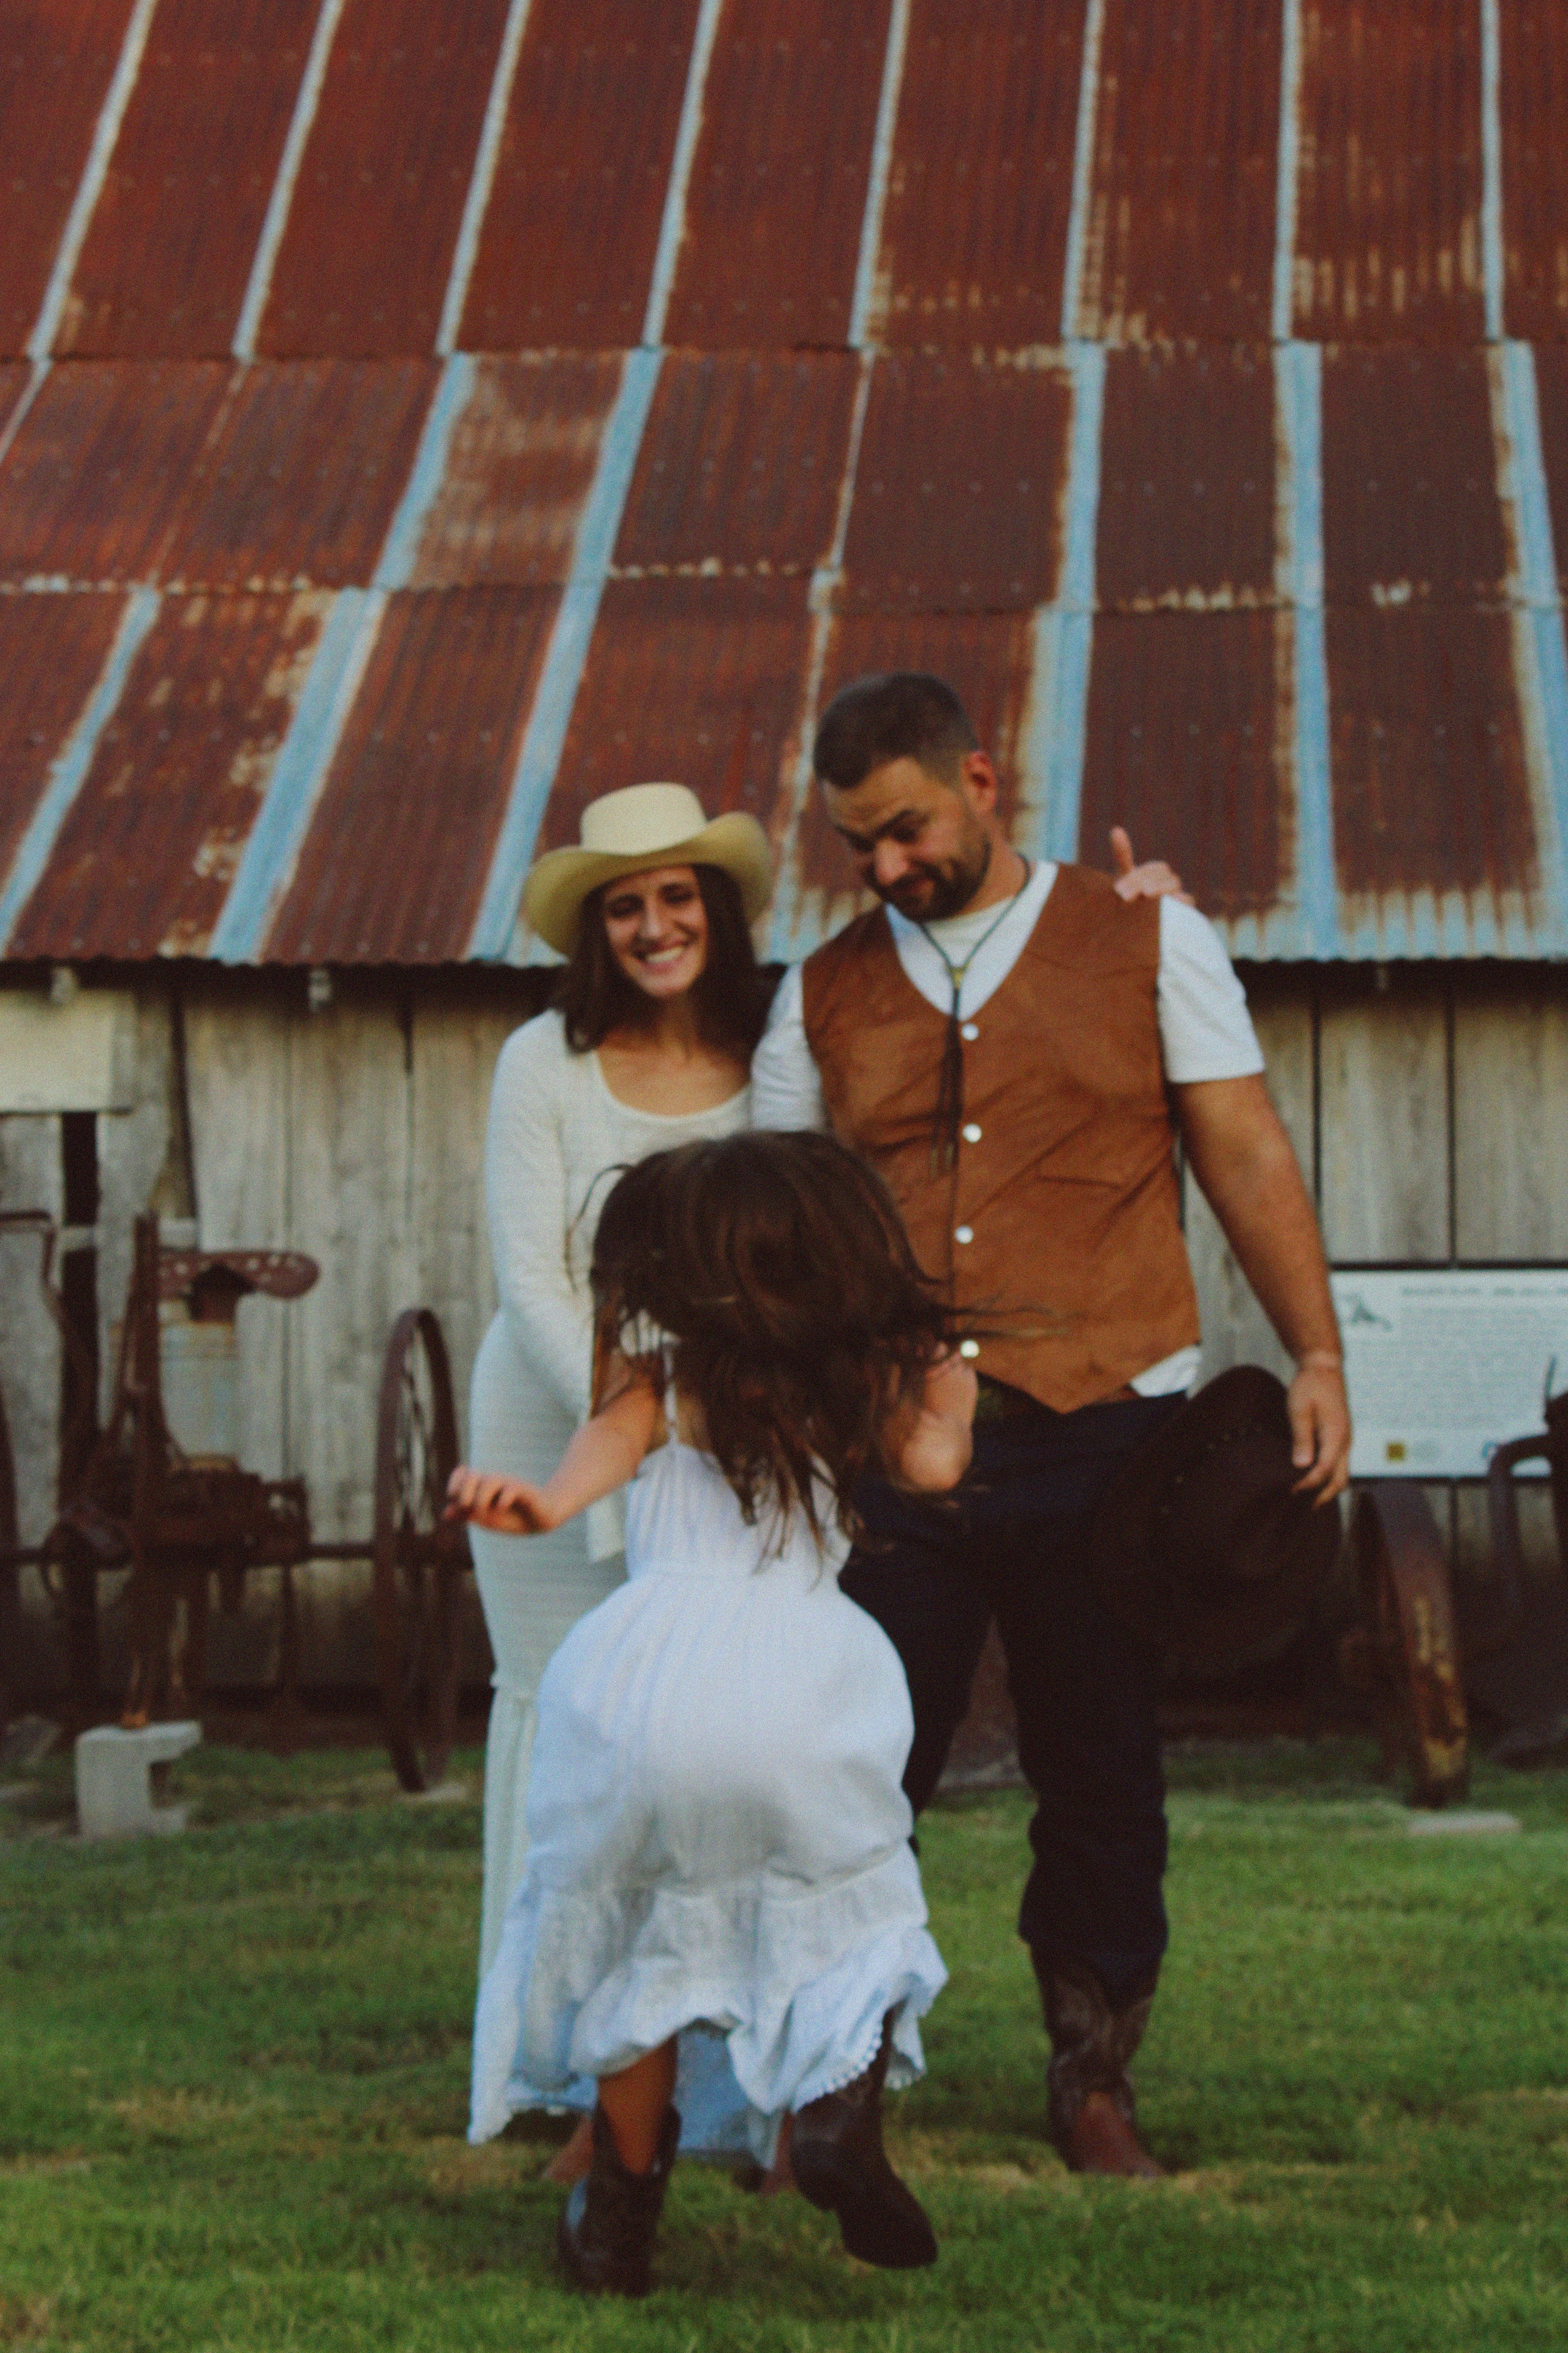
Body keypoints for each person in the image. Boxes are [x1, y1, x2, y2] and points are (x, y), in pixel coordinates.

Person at [750, 671, 1352, 2180]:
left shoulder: (1149, 936)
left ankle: (1092, 2079)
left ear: (979, 776)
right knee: (852, 1762)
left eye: (902, 829)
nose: (884, 867)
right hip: (900, 1444)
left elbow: (1241, 1150)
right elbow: (769, 1230)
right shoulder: (814, 993)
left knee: (1098, 1767)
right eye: (853, 846)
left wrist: (1316, 1349)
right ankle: (836, 2071)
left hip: (1106, 1435)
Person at [451, 1133, 973, 2294]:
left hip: (644, 1688)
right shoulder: (849, 1381)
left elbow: (598, 1448)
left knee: (636, 1937)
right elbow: (936, 1467)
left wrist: (537, 1504)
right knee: (857, 1909)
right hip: (805, 1679)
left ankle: (621, 2214)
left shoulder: (664, 1378)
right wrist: (950, 1386)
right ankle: (836, 2115)